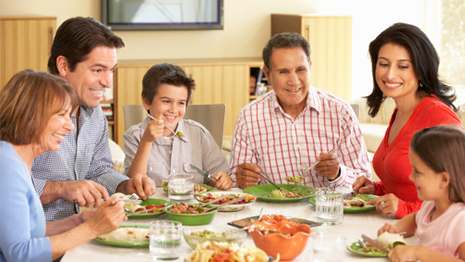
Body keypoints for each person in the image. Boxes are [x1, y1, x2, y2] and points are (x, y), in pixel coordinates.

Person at [31, 17, 156, 221]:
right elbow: (6, 183)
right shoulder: (26, 109)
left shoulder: (94, 113)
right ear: (63, 65)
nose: (107, 82)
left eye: (111, 70)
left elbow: (98, 170)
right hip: (36, 238)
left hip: (78, 229)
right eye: (97, 70)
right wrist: (60, 189)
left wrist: (124, 185)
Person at [0, 70, 127, 262]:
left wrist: (81, 220)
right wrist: (92, 229)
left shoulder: (17, 160)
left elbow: (30, 234)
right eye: (62, 115)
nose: (70, 126)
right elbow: (20, 253)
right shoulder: (6, 166)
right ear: (31, 115)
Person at [229, 32, 371, 189]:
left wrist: (338, 173)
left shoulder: (340, 112)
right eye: (283, 71)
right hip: (272, 212)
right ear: (268, 75)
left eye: (300, 70)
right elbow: (236, 180)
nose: (294, 81)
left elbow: (364, 179)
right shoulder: (249, 116)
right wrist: (241, 180)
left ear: (310, 67)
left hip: (327, 210)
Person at [352, 23, 462, 218]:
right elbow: (407, 187)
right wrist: (376, 189)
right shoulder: (400, 111)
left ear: (421, 70)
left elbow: (457, 197)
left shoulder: (438, 116)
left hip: (429, 238)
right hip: (398, 227)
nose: (389, 74)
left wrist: (405, 209)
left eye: (403, 66)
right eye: (383, 63)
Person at [123, 63, 232, 190]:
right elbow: (132, 187)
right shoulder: (135, 135)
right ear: (147, 102)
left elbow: (216, 177)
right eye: (166, 101)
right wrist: (146, 141)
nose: (173, 109)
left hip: (194, 208)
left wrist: (221, 181)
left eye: (181, 103)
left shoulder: (198, 133)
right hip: (153, 208)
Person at [377, 125, 465, 261]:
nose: (411, 177)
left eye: (417, 172)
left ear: (443, 179)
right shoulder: (430, 206)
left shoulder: (460, 220)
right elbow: (414, 220)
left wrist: (419, 253)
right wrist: (395, 230)